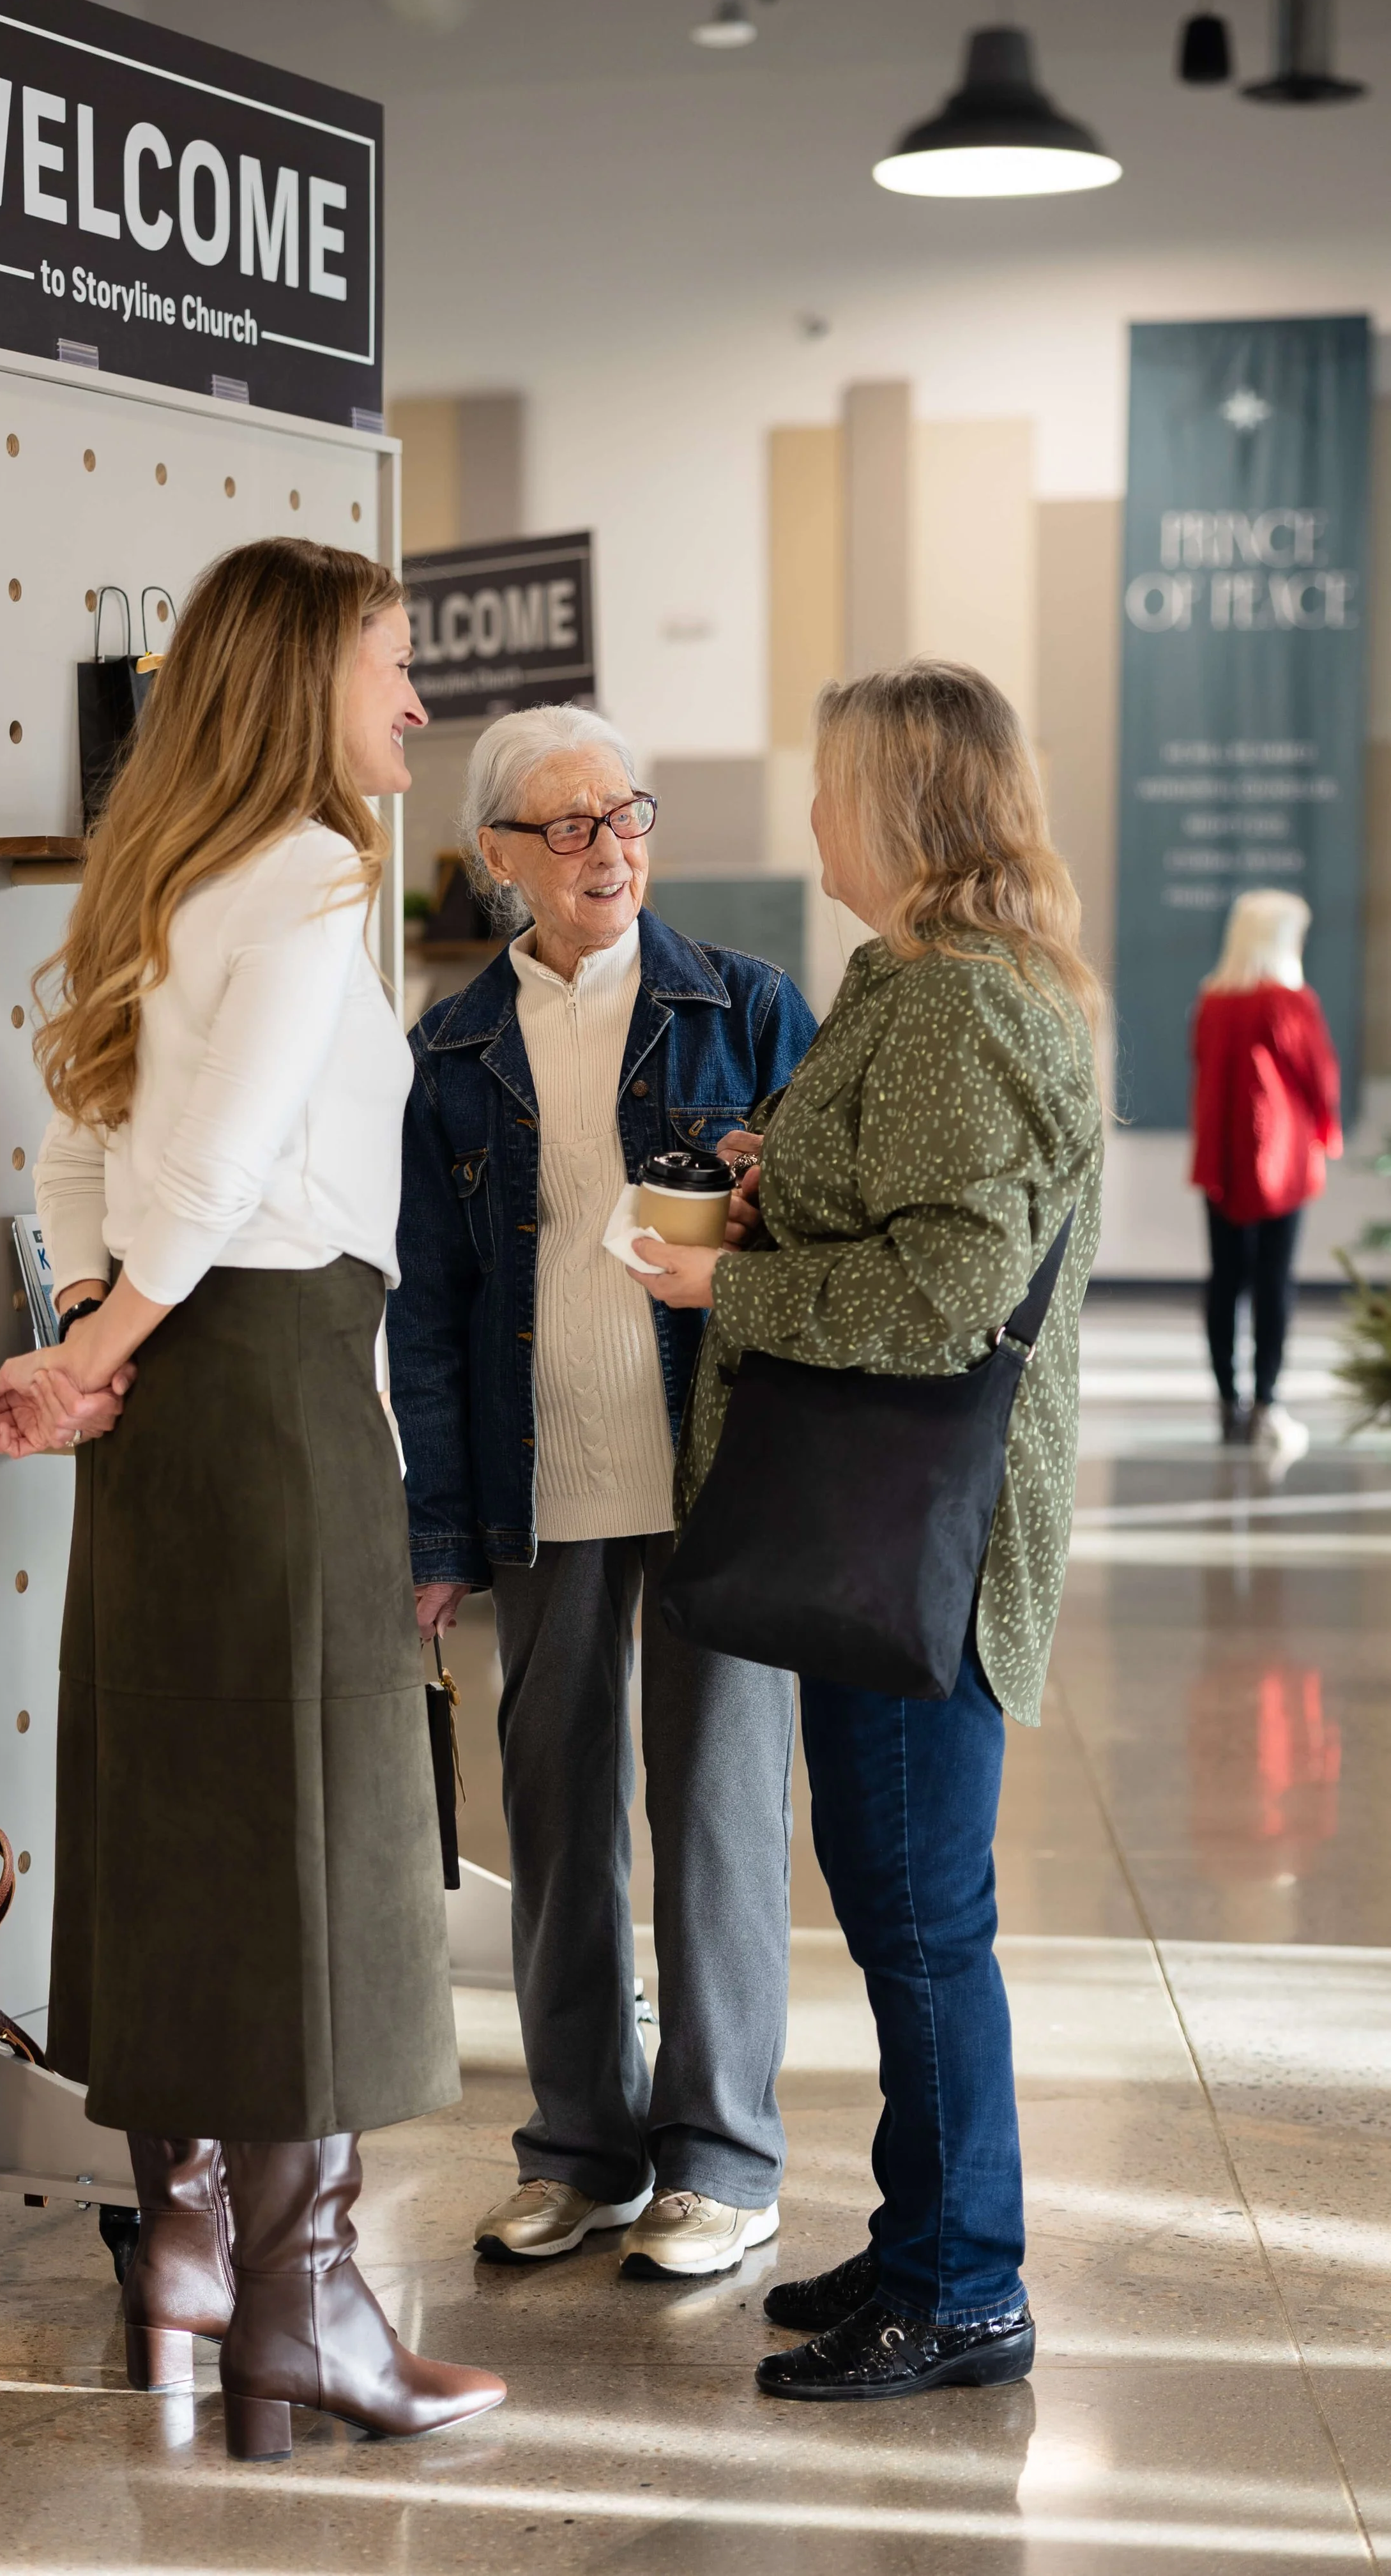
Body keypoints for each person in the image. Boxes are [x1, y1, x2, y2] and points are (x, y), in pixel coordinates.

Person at [0, 538, 505, 2460]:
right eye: (393, 668)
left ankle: (184, 2255)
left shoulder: (156, 880)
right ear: (299, 687)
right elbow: (217, 1167)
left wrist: (90, 1355)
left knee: (182, 1820)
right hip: (268, 1405)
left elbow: (82, 1157)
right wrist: (101, 1344)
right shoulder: (308, 880)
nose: (418, 706)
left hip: (167, 1419)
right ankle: (310, 2310)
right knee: (322, 1841)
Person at [628, 659, 1104, 2402]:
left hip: (922, 1543)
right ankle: (921, 2236)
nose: (812, 815)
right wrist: (778, 1172)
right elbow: (898, 1204)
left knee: (919, 1919)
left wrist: (725, 1275)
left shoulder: (960, 1004)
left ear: (899, 802)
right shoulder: (902, 978)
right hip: (882, 1522)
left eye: (832, 783)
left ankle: (966, 2281)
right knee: (900, 1900)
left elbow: (945, 1286)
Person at [388, 703, 818, 2280]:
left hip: (714, 1476)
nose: (608, 848)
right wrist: (438, 1530)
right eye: (566, 825)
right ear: (500, 855)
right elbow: (424, 1310)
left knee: (715, 1815)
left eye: (625, 813)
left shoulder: (751, 1007)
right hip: (539, 1474)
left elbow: (830, 1244)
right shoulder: (448, 1048)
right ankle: (584, 2148)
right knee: (563, 1825)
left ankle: (723, 2155)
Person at [1190, 888, 1340, 1459]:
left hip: (1222, 1161)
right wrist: (1327, 1132)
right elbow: (1318, 1077)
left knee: (1225, 1280)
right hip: (1281, 1164)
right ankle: (1268, 1400)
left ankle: (1228, 1400)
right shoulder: (1290, 1000)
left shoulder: (1212, 1000)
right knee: (1275, 1280)